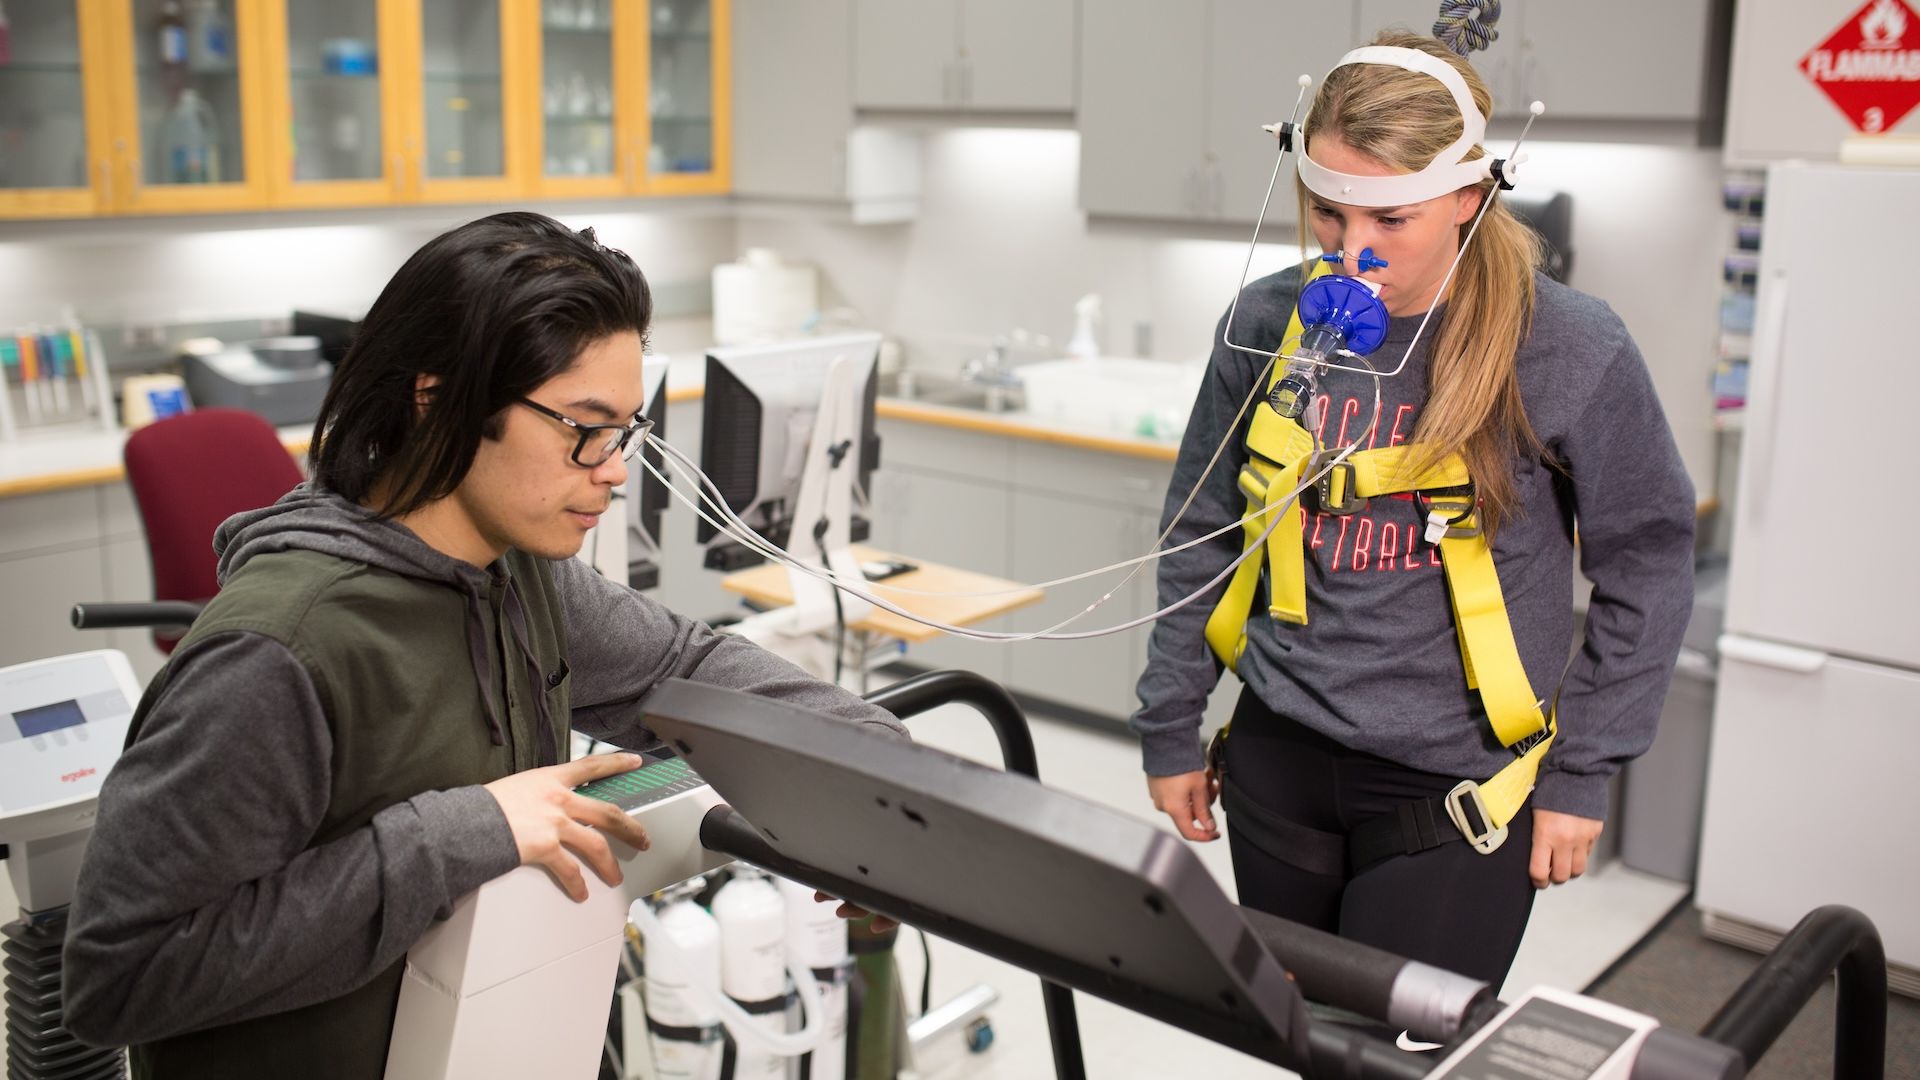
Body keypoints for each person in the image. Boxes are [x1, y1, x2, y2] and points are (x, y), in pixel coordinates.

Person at [61, 212, 909, 1078]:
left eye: (626, 430)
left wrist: (878, 789)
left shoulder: (515, 572)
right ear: (439, 403)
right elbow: (118, 978)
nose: (614, 468)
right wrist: (464, 832)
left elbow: (683, 669)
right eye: (584, 427)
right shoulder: (277, 657)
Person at [1131, 31, 1695, 989]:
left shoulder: (1565, 345)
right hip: (1278, 754)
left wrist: (1583, 770)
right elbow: (1204, 527)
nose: (1354, 250)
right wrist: (1170, 720)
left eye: (1392, 217)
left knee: (1397, 1058)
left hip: (1456, 784)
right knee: (1297, 1039)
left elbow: (1648, 561)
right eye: (1327, 210)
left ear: (1470, 198)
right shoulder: (1268, 322)